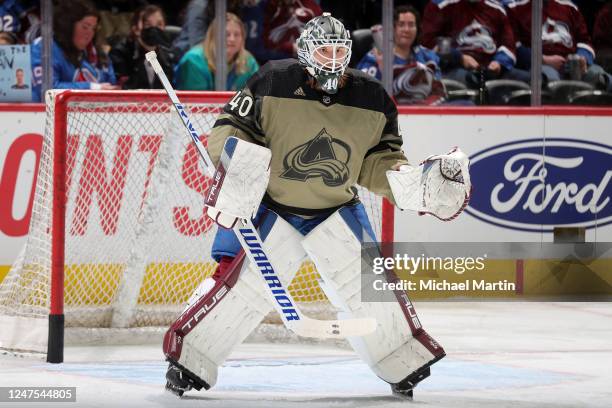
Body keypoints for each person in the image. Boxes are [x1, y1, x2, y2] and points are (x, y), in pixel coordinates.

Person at [162, 13, 470, 400]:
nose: (332, 58)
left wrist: (413, 185)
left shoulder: (373, 97)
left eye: (339, 50)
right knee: (244, 288)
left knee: (370, 286)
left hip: (336, 207)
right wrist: (235, 158)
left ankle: (400, 358)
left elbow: (379, 160)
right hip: (274, 206)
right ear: (305, 50)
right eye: (324, 49)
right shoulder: (273, 79)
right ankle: (189, 360)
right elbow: (230, 126)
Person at [505, 0, 612, 89]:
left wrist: (582, 58)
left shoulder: (569, 6)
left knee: (598, 75)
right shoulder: (515, 9)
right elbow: (514, 46)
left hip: (573, 65)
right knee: (550, 78)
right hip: (541, 66)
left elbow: (585, 41)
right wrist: (542, 59)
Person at [31, 0, 118, 102]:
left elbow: (111, 85)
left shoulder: (96, 53)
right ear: (68, 26)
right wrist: (91, 88)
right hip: (47, 115)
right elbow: (46, 90)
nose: (89, 34)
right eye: (85, 27)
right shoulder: (44, 48)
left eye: (93, 29)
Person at [357, 5, 444, 104]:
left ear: (417, 29)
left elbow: (438, 93)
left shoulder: (429, 58)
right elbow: (363, 96)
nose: (406, 30)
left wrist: (425, 108)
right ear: (392, 29)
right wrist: (382, 70)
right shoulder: (374, 59)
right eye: (401, 24)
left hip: (423, 115)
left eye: (411, 25)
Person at [421, 0, 517, 87]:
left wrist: (499, 62)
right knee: (472, 81)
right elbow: (428, 43)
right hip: (453, 67)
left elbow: (509, 45)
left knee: (525, 80)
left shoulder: (497, 9)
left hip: (489, 68)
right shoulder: (440, 5)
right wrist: (459, 57)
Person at [176, 12, 259, 91]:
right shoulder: (194, 60)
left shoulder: (249, 61)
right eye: (226, 34)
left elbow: (259, 94)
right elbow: (197, 102)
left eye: (237, 35)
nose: (232, 39)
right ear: (213, 36)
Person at [109, 5, 177, 89]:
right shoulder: (120, 52)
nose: (154, 29)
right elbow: (124, 87)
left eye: (159, 24)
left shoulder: (168, 56)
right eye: (147, 24)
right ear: (135, 29)